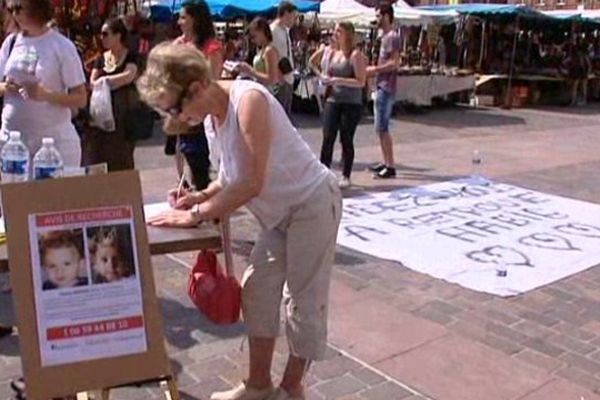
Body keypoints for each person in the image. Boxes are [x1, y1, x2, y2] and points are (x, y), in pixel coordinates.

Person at [137, 42, 342, 400]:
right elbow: (231, 176)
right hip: (279, 216)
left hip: (312, 204)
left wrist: (195, 215)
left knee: (304, 302)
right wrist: (201, 196)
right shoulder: (212, 119)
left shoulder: (248, 101)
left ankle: (292, 388)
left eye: (174, 107)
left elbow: (250, 182)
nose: (175, 119)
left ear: (198, 87)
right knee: (258, 289)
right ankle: (259, 385)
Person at [0, 0, 87, 165]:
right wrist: (6, 87)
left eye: (19, 9)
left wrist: (44, 95)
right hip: (12, 140)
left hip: (54, 144)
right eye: (10, 10)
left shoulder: (62, 46)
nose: (14, 15)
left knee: (55, 191)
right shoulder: (10, 43)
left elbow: (81, 98)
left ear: (36, 8)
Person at [165, 0, 223, 191]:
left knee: (202, 165)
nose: (179, 22)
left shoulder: (211, 46)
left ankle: (209, 210)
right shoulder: (178, 44)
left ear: (195, 20)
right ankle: (198, 203)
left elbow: (213, 79)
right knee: (186, 155)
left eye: (183, 17)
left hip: (203, 113)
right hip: (182, 110)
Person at [83, 17, 139, 171]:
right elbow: (93, 81)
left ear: (118, 35)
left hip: (124, 116)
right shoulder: (101, 58)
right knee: (98, 155)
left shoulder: (130, 56)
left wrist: (105, 82)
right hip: (101, 115)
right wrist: (105, 83)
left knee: (122, 157)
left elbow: (128, 76)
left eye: (105, 34)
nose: (102, 38)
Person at [319, 22, 366, 189]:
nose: (335, 33)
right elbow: (329, 72)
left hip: (351, 102)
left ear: (347, 33)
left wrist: (339, 80)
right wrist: (326, 78)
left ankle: (346, 174)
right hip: (333, 99)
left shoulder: (355, 55)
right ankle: (323, 171)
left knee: (346, 138)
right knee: (327, 136)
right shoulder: (334, 52)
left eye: (339, 31)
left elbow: (361, 81)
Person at [366, 4, 400, 179]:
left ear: (387, 16)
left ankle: (390, 165)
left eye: (379, 16)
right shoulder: (385, 37)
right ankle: (386, 162)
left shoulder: (392, 37)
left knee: (383, 127)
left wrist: (374, 70)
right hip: (381, 85)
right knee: (380, 128)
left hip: (386, 87)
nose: (377, 19)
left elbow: (394, 63)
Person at [235, 17, 280, 95]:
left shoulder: (269, 51)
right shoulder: (261, 50)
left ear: (262, 32)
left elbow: (272, 79)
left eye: (254, 36)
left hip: (268, 94)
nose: (252, 40)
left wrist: (251, 71)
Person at [270, 1, 297, 116]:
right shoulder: (273, 30)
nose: (294, 20)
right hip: (280, 80)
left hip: (288, 77)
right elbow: (270, 55)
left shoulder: (285, 30)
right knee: (279, 117)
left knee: (286, 117)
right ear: (286, 13)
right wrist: (279, 77)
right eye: (293, 16)